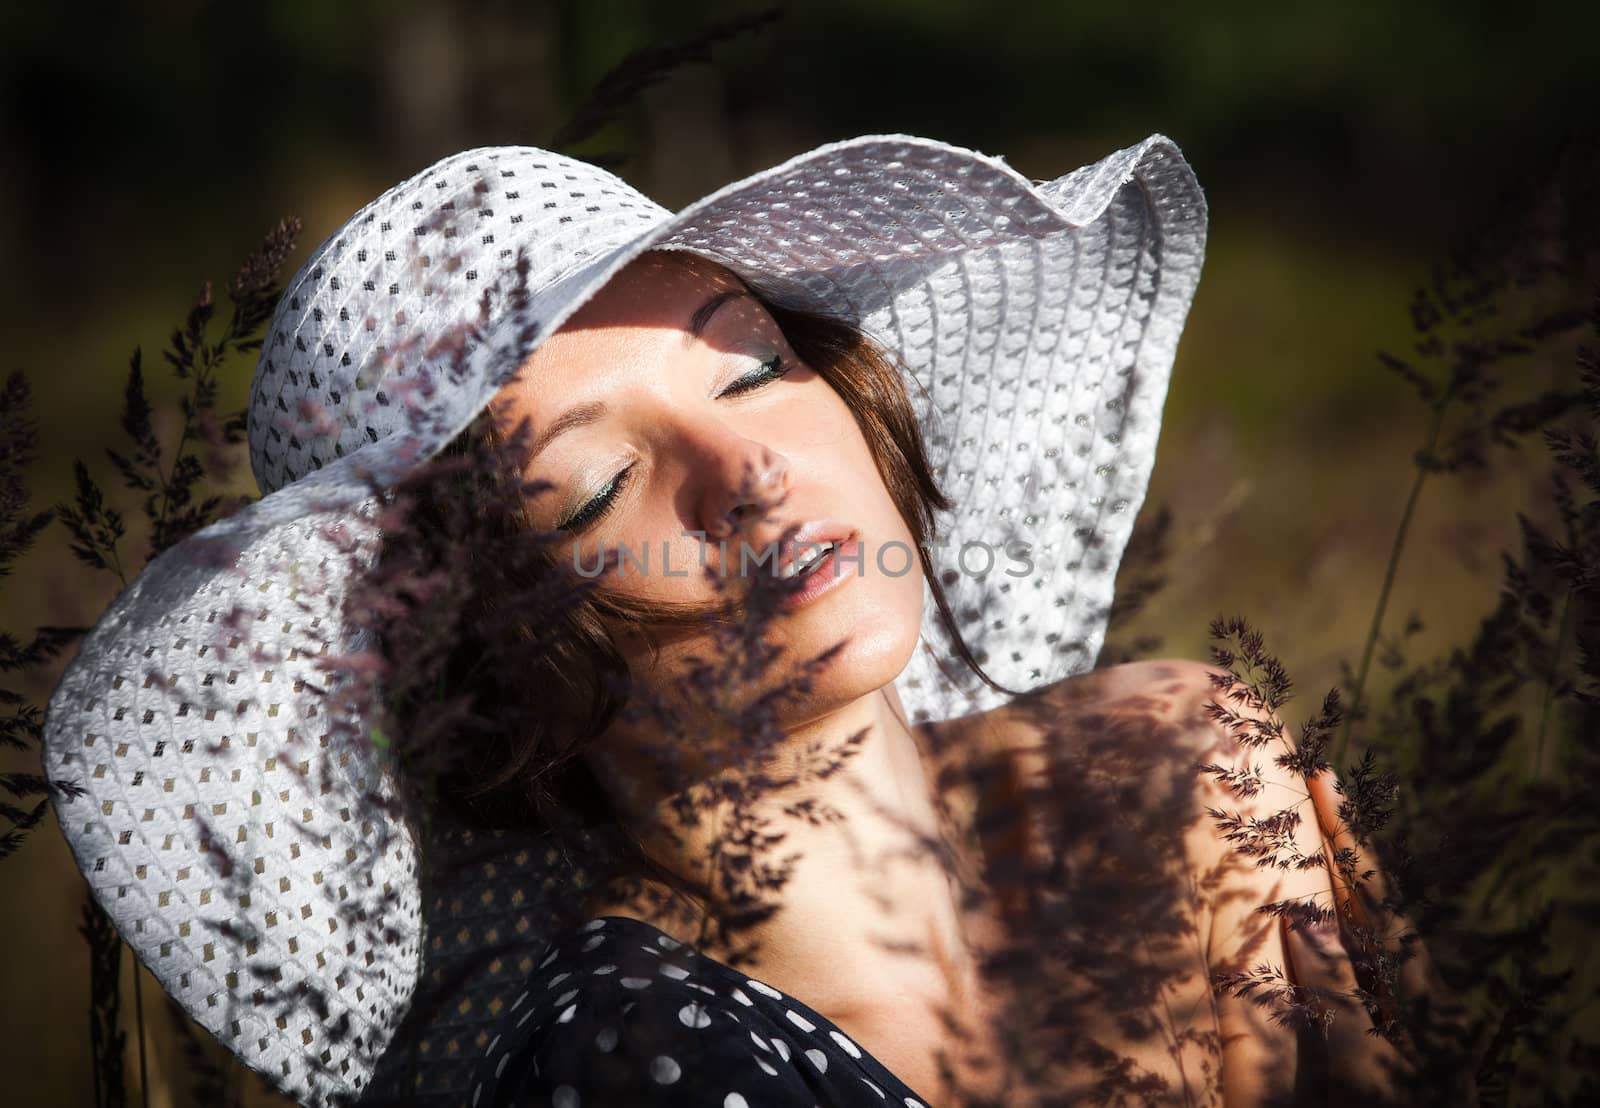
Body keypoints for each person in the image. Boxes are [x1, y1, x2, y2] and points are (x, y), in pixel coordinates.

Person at [42, 135, 1438, 1107]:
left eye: (748, 365)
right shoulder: (630, 1056)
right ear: (487, 643)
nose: (750, 471)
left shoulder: (1175, 749)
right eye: (594, 486)